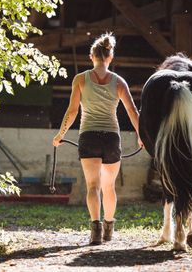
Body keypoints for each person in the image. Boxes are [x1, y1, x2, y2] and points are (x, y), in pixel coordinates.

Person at [52, 33, 143, 245]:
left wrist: (60, 135)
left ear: (92, 56)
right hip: (111, 138)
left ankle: (95, 232)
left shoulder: (80, 79)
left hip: (88, 136)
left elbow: (72, 111)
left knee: (93, 186)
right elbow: (132, 112)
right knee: (109, 187)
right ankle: (109, 228)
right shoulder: (119, 82)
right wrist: (142, 136)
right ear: (110, 57)